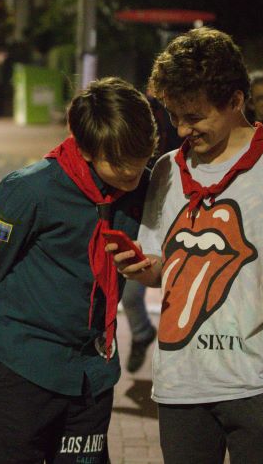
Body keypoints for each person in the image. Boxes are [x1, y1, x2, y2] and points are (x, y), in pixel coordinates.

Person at [110, 27, 263, 463]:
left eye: (195, 116)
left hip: (258, 385)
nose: (183, 129)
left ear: (235, 101)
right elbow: (160, 268)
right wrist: (139, 266)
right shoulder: (168, 169)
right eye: (174, 116)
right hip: (180, 387)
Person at [0, 77, 158, 463]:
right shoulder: (31, 189)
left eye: (141, 159)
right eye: (120, 163)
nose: (133, 173)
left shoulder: (143, 189)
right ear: (87, 149)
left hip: (93, 368)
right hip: (24, 364)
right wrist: (20, 321)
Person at [121, 95, 182, 373]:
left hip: (166, 221)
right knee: (128, 291)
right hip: (135, 219)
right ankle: (142, 332)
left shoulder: (181, 123)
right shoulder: (136, 117)